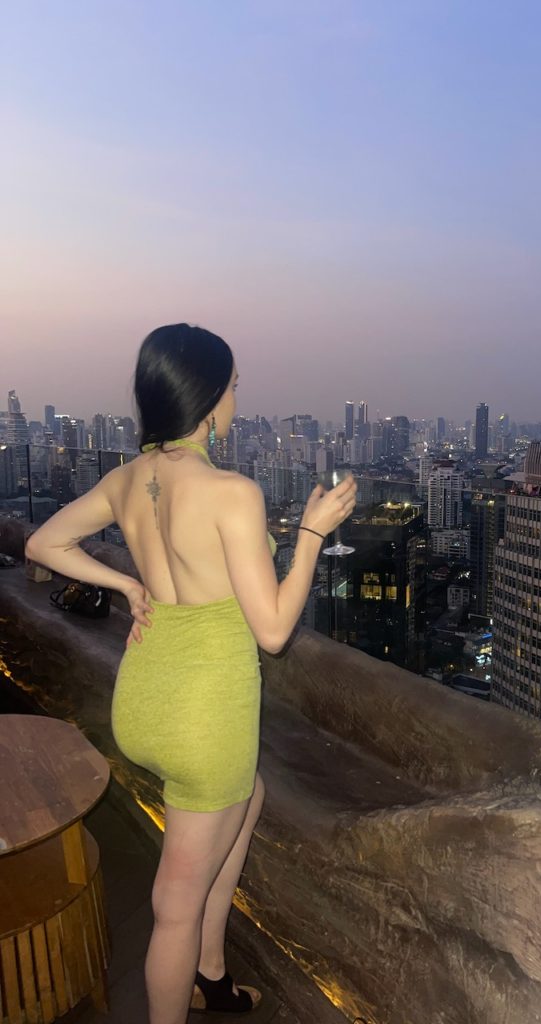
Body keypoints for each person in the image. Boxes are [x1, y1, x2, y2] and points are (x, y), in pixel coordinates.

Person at [25, 323, 357, 1024]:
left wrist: (125, 586)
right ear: (207, 400)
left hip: (144, 699)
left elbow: (43, 542)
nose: (237, 396)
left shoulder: (125, 478)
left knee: (251, 796)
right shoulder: (231, 492)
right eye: (232, 385)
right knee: (171, 909)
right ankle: (193, 978)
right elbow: (270, 631)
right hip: (207, 715)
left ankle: (213, 972)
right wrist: (312, 539)